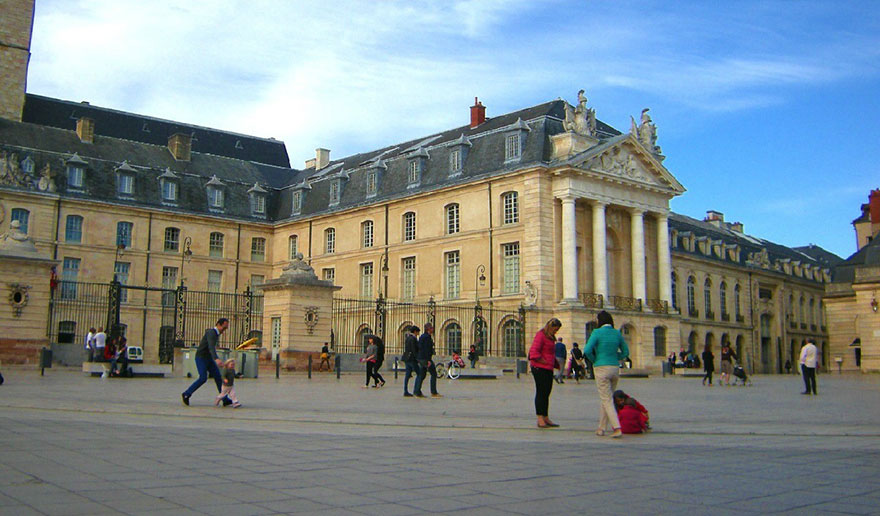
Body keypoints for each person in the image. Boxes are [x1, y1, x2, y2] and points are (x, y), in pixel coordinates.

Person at [584, 311, 628, 438]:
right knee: (607, 398)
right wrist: (616, 357)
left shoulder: (597, 332)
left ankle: (617, 427)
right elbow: (626, 351)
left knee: (607, 399)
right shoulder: (617, 333)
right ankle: (601, 428)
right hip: (614, 367)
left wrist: (594, 359)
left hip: (601, 367)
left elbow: (587, 350)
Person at [182, 318, 232, 406]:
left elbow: (211, 348)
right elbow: (211, 347)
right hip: (201, 358)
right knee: (203, 378)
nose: (224, 331)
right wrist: (216, 359)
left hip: (208, 358)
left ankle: (224, 398)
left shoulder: (215, 334)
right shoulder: (211, 333)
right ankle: (186, 394)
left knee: (218, 377)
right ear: (218, 325)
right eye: (224, 328)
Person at [529, 318, 562, 428]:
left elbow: (550, 352)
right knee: (541, 392)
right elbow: (534, 352)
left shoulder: (551, 337)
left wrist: (555, 363)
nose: (555, 332)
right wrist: (543, 360)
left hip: (547, 368)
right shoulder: (541, 335)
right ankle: (540, 418)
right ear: (550, 327)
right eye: (555, 329)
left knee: (547, 392)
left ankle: (545, 417)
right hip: (539, 368)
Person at [414, 322, 441, 398]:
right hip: (425, 359)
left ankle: (417, 391)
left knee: (421, 375)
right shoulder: (426, 337)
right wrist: (428, 360)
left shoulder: (423, 336)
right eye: (431, 328)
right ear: (428, 329)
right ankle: (433, 392)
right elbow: (426, 349)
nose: (433, 329)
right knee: (433, 374)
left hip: (422, 358)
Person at [402, 325, 420, 397]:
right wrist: (417, 358)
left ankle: (405, 390)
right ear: (415, 332)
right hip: (412, 359)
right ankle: (417, 390)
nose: (418, 333)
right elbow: (413, 349)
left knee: (407, 375)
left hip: (407, 358)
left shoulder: (408, 338)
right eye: (418, 332)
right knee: (419, 374)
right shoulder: (413, 338)